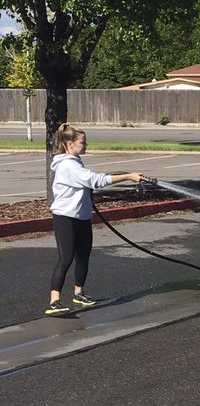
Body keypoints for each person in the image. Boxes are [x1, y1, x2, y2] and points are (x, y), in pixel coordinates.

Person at [45, 124, 146, 315]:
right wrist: (128, 176)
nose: (86, 145)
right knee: (66, 258)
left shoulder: (76, 161)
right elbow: (95, 180)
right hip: (65, 217)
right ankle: (54, 300)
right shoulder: (67, 165)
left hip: (82, 216)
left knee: (83, 256)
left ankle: (79, 293)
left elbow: (86, 185)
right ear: (69, 144)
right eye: (82, 142)